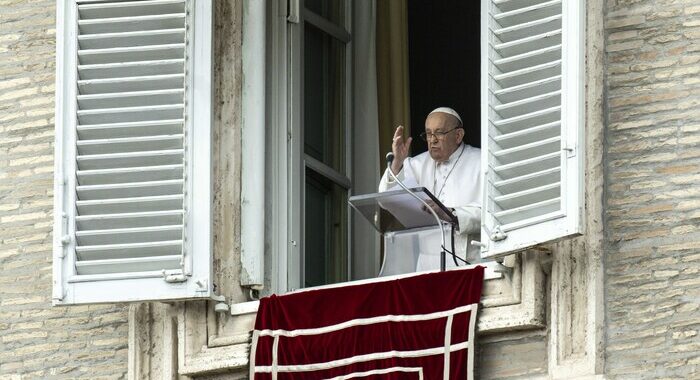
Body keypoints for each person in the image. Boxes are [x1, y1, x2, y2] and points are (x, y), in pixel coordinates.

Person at [379, 107, 482, 268]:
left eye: (439, 133)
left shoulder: (481, 161)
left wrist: (452, 215)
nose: (432, 140)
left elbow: (493, 214)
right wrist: (397, 163)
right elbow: (385, 200)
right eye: (428, 133)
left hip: (469, 263)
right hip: (427, 266)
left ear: (458, 135)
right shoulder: (416, 164)